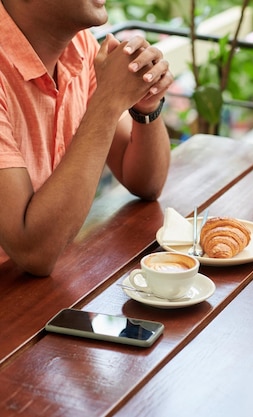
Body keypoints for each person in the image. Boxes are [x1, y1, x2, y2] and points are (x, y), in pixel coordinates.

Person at [0, 0, 173, 276]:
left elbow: (146, 183)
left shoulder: (82, 47)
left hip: (54, 289)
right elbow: (33, 252)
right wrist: (108, 101)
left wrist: (145, 106)